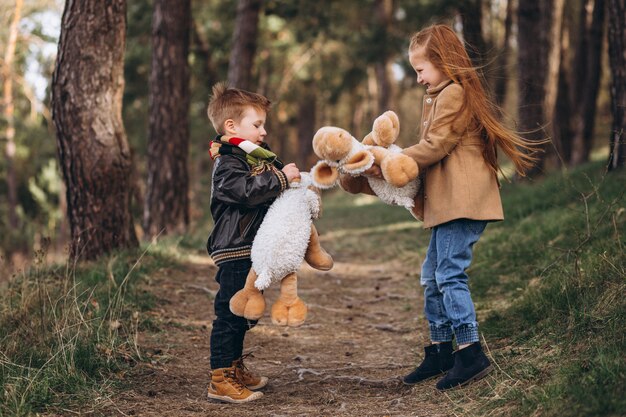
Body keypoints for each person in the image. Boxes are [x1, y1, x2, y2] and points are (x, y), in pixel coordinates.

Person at [340, 24, 540, 390]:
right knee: (431, 276)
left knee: (448, 275)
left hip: (463, 202)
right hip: (446, 202)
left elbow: (434, 147)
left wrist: (388, 161)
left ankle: (470, 352)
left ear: (444, 63)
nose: (417, 78)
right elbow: (430, 148)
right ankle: (440, 350)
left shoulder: (454, 94)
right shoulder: (438, 93)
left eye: (420, 69)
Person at [205, 83, 300, 403]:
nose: (264, 131)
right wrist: (280, 179)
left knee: (247, 313)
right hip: (234, 247)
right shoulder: (228, 161)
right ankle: (220, 378)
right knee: (230, 313)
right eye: (257, 124)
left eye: (263, 125)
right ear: (231, 126)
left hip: (253, 247)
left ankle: (233, 365)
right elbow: (242, 191)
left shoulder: (253, 157)